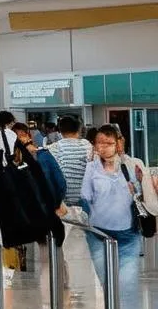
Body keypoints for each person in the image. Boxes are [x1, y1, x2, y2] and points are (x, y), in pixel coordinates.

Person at [80, 125, 143, 287]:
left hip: (128, 231)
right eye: (100, 143)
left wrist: (137, 188)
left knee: (126, 282)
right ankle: (111, 308)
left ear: (118, 143)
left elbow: (142, 194)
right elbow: (85, 197)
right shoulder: (90, 169)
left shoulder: (132, 165)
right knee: (105, 281)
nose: (104, 147)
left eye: (109, 143)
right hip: (98, 232)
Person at [44, 115, 93, 212]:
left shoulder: (53, 148)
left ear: (60, 131)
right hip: (85, 200)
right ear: (78, 129)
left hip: (64, 203)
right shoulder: (87, 145)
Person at [13, 122, 66, 207]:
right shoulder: (44, 155)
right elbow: (61, 184)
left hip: (28, 210)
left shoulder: (10, 165)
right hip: (46, 208)